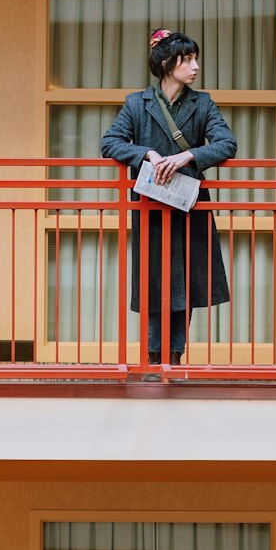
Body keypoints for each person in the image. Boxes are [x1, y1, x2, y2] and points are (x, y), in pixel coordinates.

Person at [101, 29, 237, 365]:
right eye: (187, 59)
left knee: (186, 284)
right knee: (154, 284)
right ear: (166, 64)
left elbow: (226, 143)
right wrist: (147, 153)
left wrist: (187, 156)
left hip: (189, 205)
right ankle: (152, 358)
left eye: (194, 58)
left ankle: (173, 359)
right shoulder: (137, 103)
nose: (195, 66)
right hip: (151, 207)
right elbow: (110, 142)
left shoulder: (201, 102)